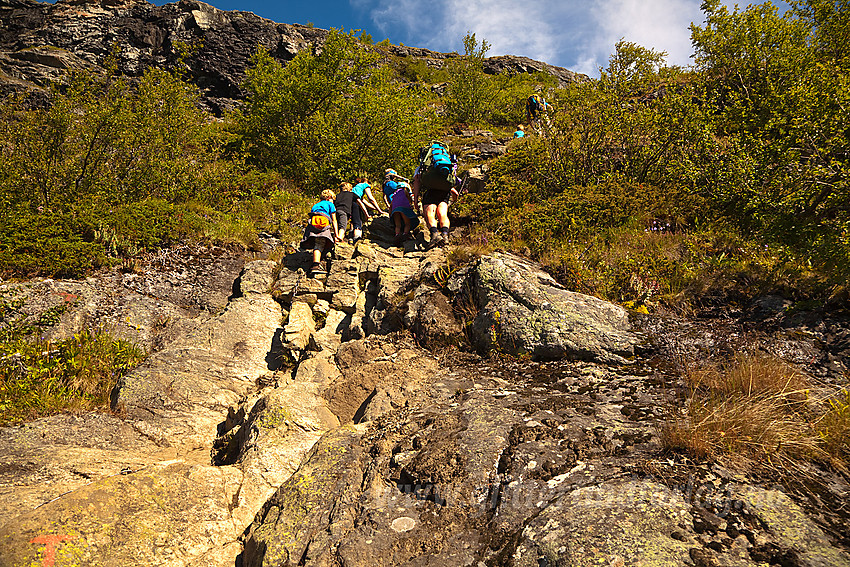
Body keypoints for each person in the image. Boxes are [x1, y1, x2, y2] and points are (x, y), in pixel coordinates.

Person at [413, 147, 459, 248]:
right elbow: (453, 187)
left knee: (430, 213)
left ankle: (434, 235)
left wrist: (415, 199)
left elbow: (417, 183)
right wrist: (454, 199)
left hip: (430, 191)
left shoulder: (423, 167)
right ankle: (445, 235)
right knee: (442, 213)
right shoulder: (447, 166)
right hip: (445, 192)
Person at [301, 189, 340, 275]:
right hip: (323, 223)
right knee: (320, 244)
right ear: (329, 197)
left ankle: (318, 259)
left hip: (313, 223)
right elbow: (334, 220)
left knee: (317, 242)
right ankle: (316, 265)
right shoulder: (330, 204)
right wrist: (337, 235)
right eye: (333, 199)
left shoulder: (316, 205)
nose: (333, 201)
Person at [390, 180, 419, 245]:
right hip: (403, 208)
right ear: (405, 187)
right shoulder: (404, 191)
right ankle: (405, 234)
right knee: (407, 223)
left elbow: (391, 205)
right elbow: (409, 199)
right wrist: (411, 205)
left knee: (397, 225)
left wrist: (390, 214)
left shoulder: (394, 194)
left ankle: (397, 235)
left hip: (395, 210)